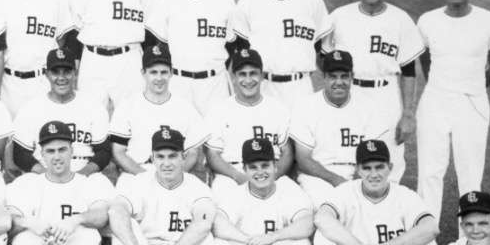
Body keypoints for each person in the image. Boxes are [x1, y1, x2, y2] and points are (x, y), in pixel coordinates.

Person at [415, 0, 490, 219]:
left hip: (473, 103)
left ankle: (468, 242)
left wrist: (471, 87)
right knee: (430, 173)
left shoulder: (489, 21)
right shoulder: (427, 20)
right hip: (435, 101)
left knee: (470, 175)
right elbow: (427, 61)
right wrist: (446, 87)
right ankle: (425, 242)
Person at [324, 0, 425, 183]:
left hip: (385, 94)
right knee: (347, 156)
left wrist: (408, 114)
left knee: (390, 159)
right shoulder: (339, 17)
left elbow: (409, 71)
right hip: (350, 94)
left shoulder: (400, 19)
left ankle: (385, 215)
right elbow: (323, 59)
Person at [232, 0, 332, 109]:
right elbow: (239, 53)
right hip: (263, 88)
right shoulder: (248, 1)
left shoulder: (311, 0)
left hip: (300, 88)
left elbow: (324, 53)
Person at [146, 0, 238, 116]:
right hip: (180, 83)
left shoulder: (225, 1)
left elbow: (233, 44)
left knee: (217, 140)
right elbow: (157, 45)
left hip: (215, 83)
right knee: (180, 140)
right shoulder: (169, 0)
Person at [290, 50, 388, 207]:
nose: (339, 82)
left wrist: (357, 182)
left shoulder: (369, 106)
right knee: (328, 209)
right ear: (324, 77)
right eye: (333, 76)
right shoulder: (306, 106)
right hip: (319, 177)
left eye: (344, 76)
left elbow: (374, 155)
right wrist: (337, 181)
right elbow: (303, 160)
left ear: (352, 77)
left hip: (360, 174)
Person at [203, 48, 292, 200]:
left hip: (270, 171)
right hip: (232, 174)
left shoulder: (278, 109)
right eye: (242, 74)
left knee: (300, 203)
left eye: (253, 73)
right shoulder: (218, 110)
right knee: (223, 203)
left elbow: (288, 152)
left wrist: (274, 176)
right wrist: (238, 176)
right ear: (234, 78)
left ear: (262, 75)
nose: (248, 80)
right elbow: (212, 155)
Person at [10, 47, 110, 177]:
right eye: (55, 72)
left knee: (106, 192)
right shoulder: (31, 108)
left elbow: (104, 152)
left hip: (84, 170)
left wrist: (80, 175)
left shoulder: (93, 106)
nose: (61, 78)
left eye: (67, 71)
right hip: (43, 171)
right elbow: (20, 153)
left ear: (75, 73)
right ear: (46, 74)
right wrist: (47, 176)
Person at [110, 44, 205, 177]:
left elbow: (193, 153)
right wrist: (144, 176)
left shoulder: (185, 107)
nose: (159, 78)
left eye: (164, 72)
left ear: (171, 73)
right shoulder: (127, 105)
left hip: (175, 174)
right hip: (137, 173)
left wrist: (174, 176)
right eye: (153, 72)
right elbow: (118, 152)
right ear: (143, 73)